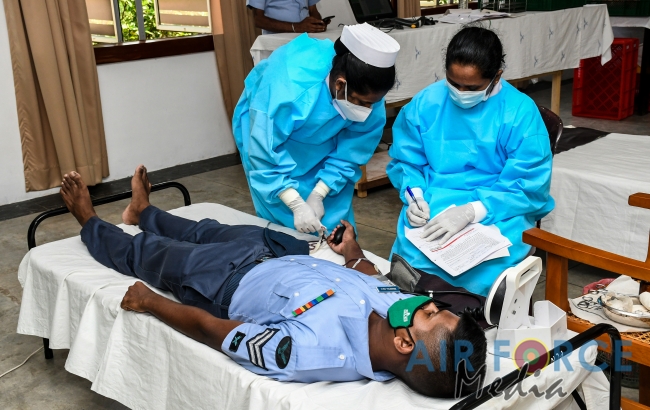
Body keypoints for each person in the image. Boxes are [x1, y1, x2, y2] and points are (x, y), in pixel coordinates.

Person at [58, 166, 486, 398]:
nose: (424, 303)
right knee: (202, 227)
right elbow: (372, 277)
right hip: (284, 253)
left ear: (405, 344)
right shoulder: (396, 316)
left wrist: (152, 303)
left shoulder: (305, 352)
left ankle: (89, 221)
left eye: (429, 313)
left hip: (225, 279)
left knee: (148, 256)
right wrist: (352, 252)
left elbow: (216, 331)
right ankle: (142, 213)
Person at [387, 26, 555, 298]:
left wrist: (473, 211)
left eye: (472, 87)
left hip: (500, 208)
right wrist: (414, 194)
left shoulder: (519, 113)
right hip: (435, 201)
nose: (461, 93)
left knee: (486, 266)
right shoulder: (426, 103)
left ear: (496, 76)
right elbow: (406, 162)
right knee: (413, 257)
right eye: (454, 84)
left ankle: (475, 318)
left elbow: (528, 187)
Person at [232, 24, 400, 235]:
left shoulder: (369, 95)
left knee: (334, 221)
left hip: (326, 142)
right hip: (270, 136)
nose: (367, 110)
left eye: (372, 103)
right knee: (284, 225)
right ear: (340, 84)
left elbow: (352, 152)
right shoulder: (288, 87)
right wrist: (295, 204)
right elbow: (264, 155)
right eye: (360, 102)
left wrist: (320, 192)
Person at [247, 0, 328, 34]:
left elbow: (313, 10)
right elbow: (257, 19)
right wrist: (296, 27)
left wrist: (318, 24)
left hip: (305, 39)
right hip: (277, 43)